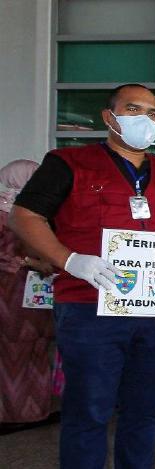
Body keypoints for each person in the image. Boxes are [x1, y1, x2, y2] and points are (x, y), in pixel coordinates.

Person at [9, 83, 155, 469]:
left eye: (153, 113)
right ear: (109, 117)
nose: (145, 119)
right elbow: (25, 215)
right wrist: (70, 259)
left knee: (145, 412)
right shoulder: (67, 163)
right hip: (89, 308)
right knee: (89, 411)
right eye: (134, 109)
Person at [0, 160, 56, 427]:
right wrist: (34, 263)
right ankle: (17, 412)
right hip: (12, 293)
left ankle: (36, 408)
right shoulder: (7, 214)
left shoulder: (29, 212)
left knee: (35, 348)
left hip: (30, 294)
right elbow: (8, 256)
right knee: (15, 351)